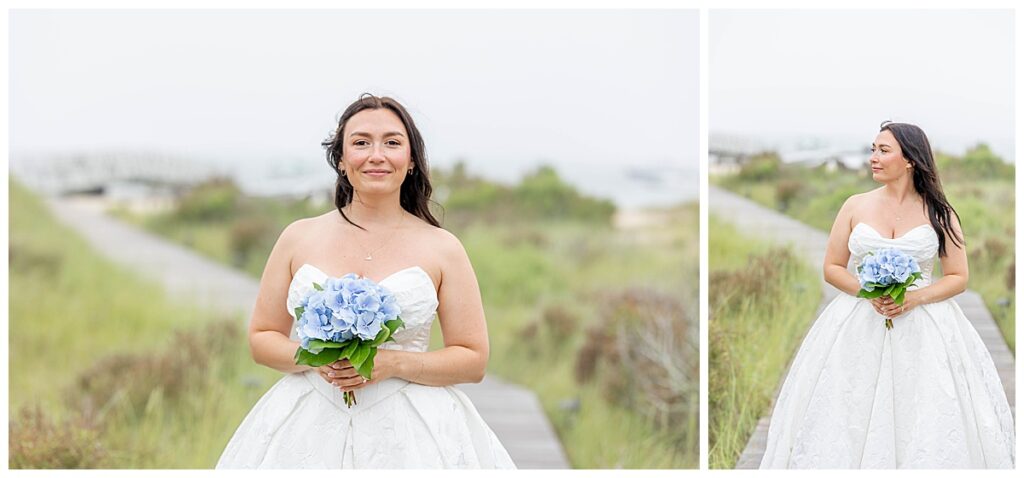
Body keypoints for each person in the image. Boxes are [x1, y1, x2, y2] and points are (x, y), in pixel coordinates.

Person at [217, 94, 515, 469]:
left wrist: (390, 364)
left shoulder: (444, 248)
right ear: (341, 160)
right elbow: (262, 339)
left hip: (412, 433)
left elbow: (473, 360)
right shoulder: (298, 237)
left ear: (410, 162)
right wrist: (316, 359)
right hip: (308, 422)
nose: (377, 155)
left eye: (392, 142)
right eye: (360, 143)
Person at [760, 122, 1014, 468]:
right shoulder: (854, 206)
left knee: (924, 411)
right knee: (849, 407)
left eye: (883, 150)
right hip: (858, 323)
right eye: (872, 150)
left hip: (925, 327)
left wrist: (913, 298)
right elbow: (832, 267)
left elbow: (958, 277)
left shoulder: (940, 212)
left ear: (909, 159)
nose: (873, 159)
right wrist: (868, 293)